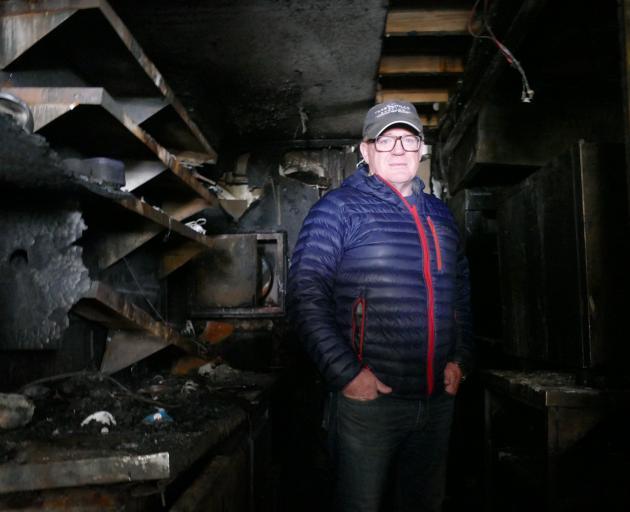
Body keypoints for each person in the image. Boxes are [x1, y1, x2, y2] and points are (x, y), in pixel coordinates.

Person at [287, 100, 474, 512]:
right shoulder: (336, 211)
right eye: (385, 139)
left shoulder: (441, 216)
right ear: (365, 150)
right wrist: (347, 375)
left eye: (408, 139)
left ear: (422, 148)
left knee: (424, 503)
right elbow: (305, 296)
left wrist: (460, 359)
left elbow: (460, 293)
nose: (397, 149)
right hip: (369, 404)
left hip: (436, 402)